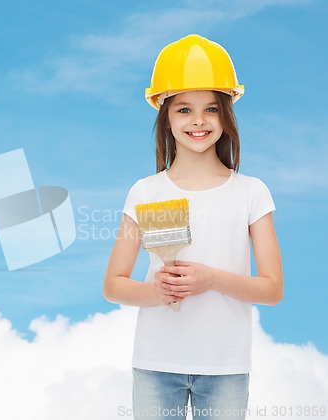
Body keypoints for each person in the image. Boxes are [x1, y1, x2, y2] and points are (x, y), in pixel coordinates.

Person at [103, 34, 283, 419]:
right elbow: (113, 284)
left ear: (226, 116)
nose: (198, 121)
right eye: (184, 109)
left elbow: (272, 289)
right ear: (165, 117)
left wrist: (211, 279)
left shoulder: (251, 192)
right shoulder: (146, 192)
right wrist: (157, 292)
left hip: (225, 366)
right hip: (155, 362)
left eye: (211, 109)